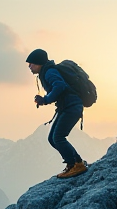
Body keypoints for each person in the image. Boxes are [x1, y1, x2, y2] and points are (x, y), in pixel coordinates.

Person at [26, 48, 88, 178]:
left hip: (72, 107)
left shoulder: (49, 72)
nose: (29, 66)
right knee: (52, 138)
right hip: (67, 107)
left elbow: (60, 86)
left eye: (31, 63)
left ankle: (77, 164)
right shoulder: (46, 72)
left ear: (38, 63)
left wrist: (46, 99)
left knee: (58, 137)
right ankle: (73, 163)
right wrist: (44, 99)